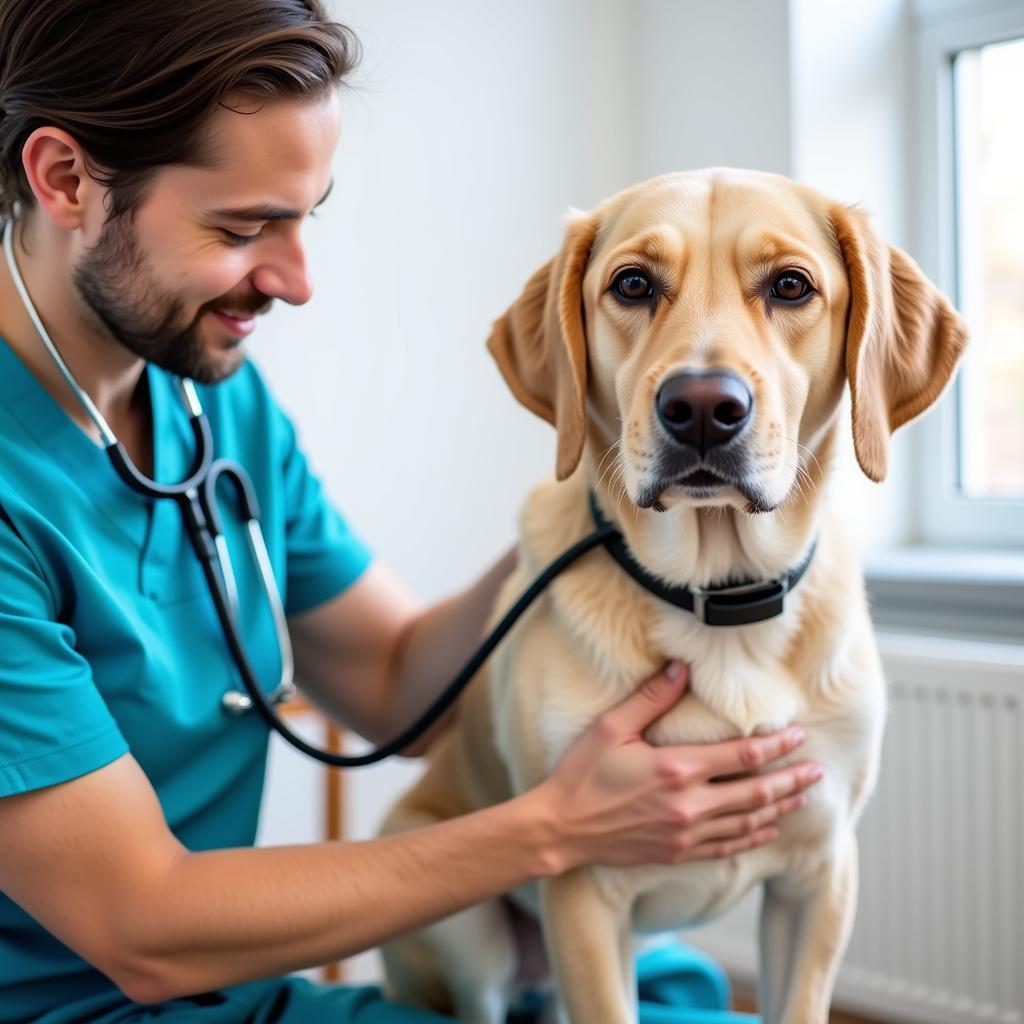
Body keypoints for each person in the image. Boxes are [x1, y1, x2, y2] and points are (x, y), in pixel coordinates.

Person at [0, 3, 823, 1022]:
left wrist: (585, 517)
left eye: (307, 216)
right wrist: (553, 827)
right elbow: (142, 926)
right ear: (65, 179)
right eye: (243, 227)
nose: (296, 281)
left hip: (240, 987)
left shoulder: (213, 400)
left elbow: (397, 685)